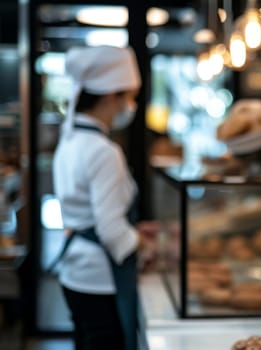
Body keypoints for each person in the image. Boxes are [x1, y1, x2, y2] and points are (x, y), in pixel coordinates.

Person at [51, 45, 154, 350]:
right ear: (111, 96)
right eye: (130, 95)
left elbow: (88, 215)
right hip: (99, 277)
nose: (131, 105)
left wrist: (134, 232)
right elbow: (110, 230)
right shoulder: (104, 151)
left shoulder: (70, 139)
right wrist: (145, 245)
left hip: (74, 272)